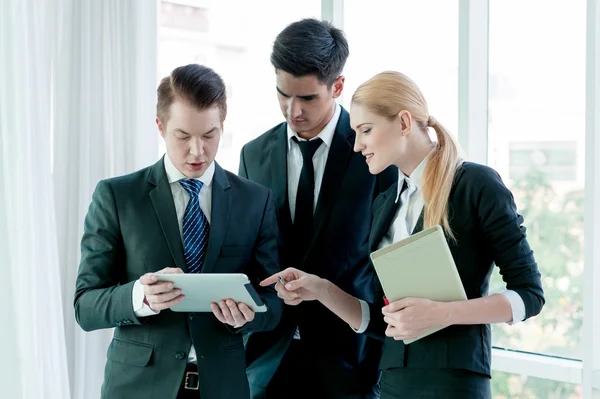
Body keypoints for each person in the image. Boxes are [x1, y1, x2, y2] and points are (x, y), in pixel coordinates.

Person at [261, 71, 545, 399]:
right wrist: (321, 289)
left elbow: (529, 295)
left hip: (453, 385)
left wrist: (442, 313)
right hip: (393, 383)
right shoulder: (387, 204)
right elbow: (386, 323)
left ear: (404, 123)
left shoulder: (474, 185)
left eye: (365, 130)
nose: (357, 145)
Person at [74, 64, 283, 399]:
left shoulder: (255, 201)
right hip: (138, 388)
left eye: (209, 135)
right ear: (160, 127)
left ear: (222, 126)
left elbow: (273, 304)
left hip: (223, 386)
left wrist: (247, 316)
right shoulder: (118, 196)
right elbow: (85, 306)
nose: (197, 151)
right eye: (183, 136)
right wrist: (139, 297)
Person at [239, 19, 397, 399]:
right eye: (283, 94)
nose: (292, 111)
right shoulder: (253, 155)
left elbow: (387, 262)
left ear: (337, 86)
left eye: (307, 98)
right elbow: (248, 252)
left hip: (350, 363)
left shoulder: (375, 156)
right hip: (265, 361)